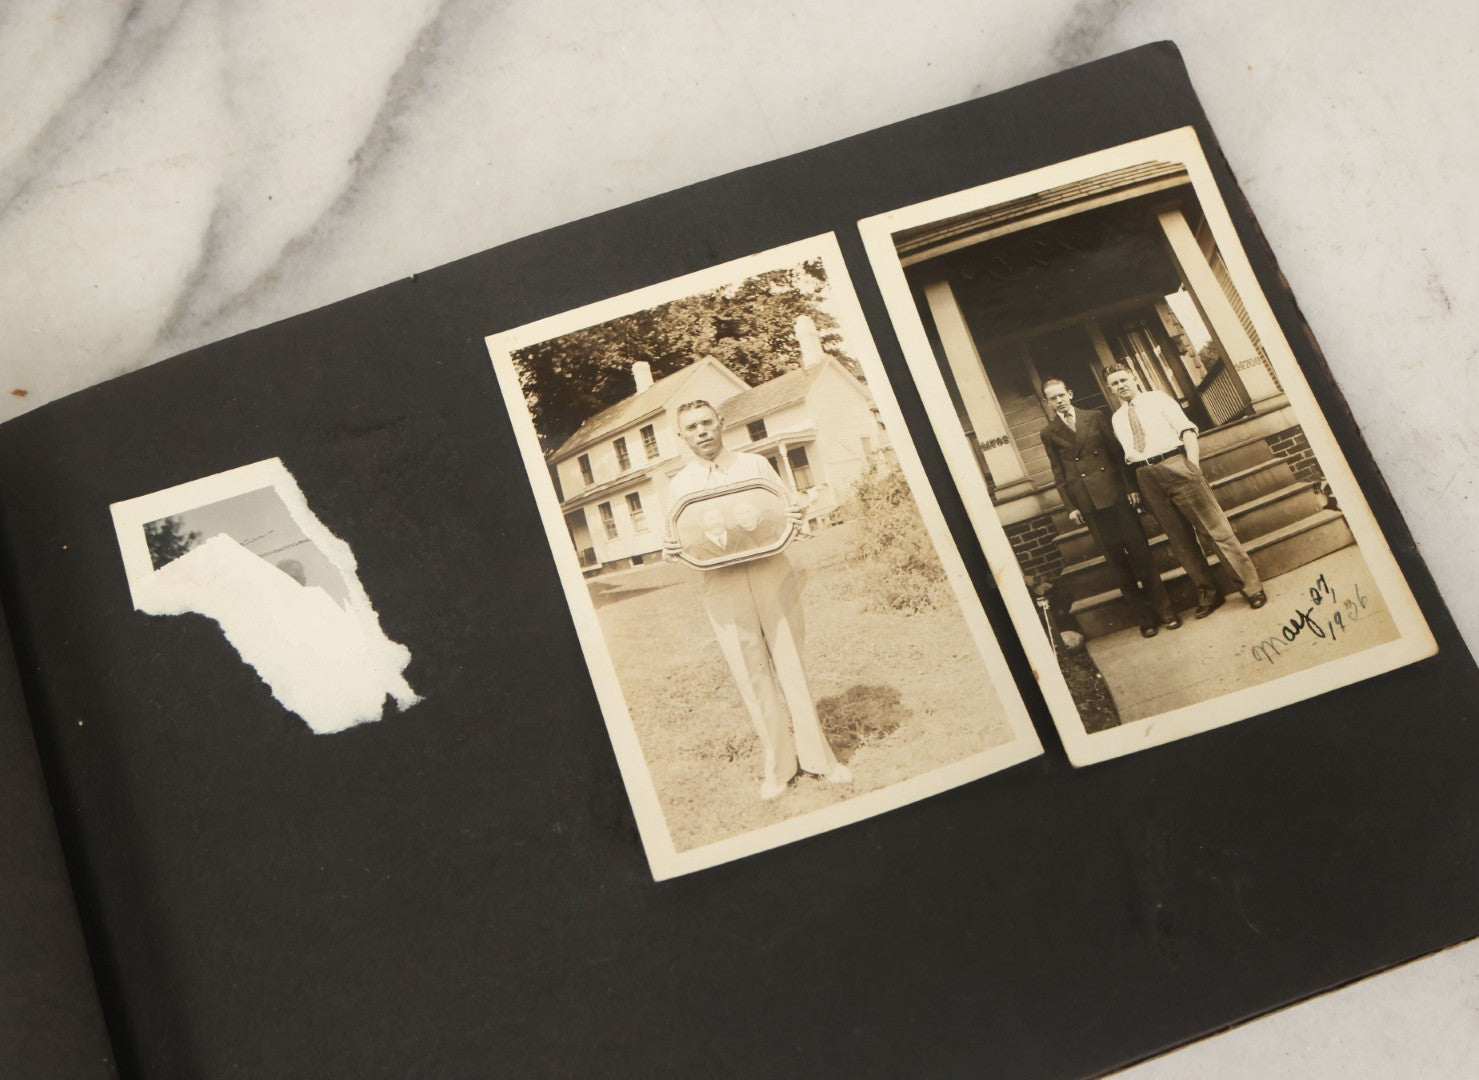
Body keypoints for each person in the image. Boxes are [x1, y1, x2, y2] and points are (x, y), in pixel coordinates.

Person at [662, 399, 852, 800]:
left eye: (707, 422)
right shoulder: (679, 486)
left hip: (771, 573)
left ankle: (821, 760)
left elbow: (786, 510)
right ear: (681, 436)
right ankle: (779, 767)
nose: (701, 432)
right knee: (751, 673)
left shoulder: (755, 467)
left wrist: (796, 517)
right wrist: (671, 547)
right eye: (692, 427)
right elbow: (681, 537)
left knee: (790, 663)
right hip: (721, 584)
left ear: (721, 423)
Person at [1104, 365, 1267, 617]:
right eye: (1114, 383)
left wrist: (1192, 466)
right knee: (1180, 541)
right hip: (1146, 476)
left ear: (1135, 378)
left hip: (1177, 466)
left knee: (1215, 531)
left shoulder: (1157, 398)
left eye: (1123, 379)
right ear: (1110, 389)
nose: (1120, 385)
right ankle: (1209, 595)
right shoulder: (1116, 418)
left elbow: (1187, 430)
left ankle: (1251, 587)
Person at [1038, 378, 1178, 638]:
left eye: (1061, 395)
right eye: (1053, 398)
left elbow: (1116, 454)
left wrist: (1131, 488)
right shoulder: (1049, 432)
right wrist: (1070, 506)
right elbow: (1058, 472)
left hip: (1116, 496)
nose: (1059, 400)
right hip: (1089, 504)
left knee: (1141, 555)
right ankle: (1145, 619)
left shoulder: (1095, 416)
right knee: (1118, 563)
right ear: (1048, 403)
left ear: (1070, 392)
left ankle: (1166, 612)